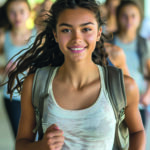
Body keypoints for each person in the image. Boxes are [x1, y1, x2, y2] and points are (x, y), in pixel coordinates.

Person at [1, 0, 145, 149]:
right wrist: (42, 146)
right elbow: (21, 144)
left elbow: (137, 131)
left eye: (86, 29)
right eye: (66, 30)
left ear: (99, 33)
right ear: (55, 35)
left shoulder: (123, 86)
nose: (77, 38)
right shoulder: (35, 84)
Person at [109, 0, 150, 127]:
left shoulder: (143, 44)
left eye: (133, 16)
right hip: (113, 105)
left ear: (139, 18)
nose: (129, 20)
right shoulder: (109, 41)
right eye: (124, 16)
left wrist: (147, 95)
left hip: (137, 105)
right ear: (118, 17)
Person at [0, 0, 37, 138]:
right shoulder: (3, 37)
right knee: (20, 139)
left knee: (39, 138)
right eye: (12, 12)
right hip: (12, 96)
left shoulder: (39, 35)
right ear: (7, 14)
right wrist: (3, 69)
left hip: (36, 95)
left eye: (21, 11)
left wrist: (31, 68)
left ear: (29, 13)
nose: (17, 16)